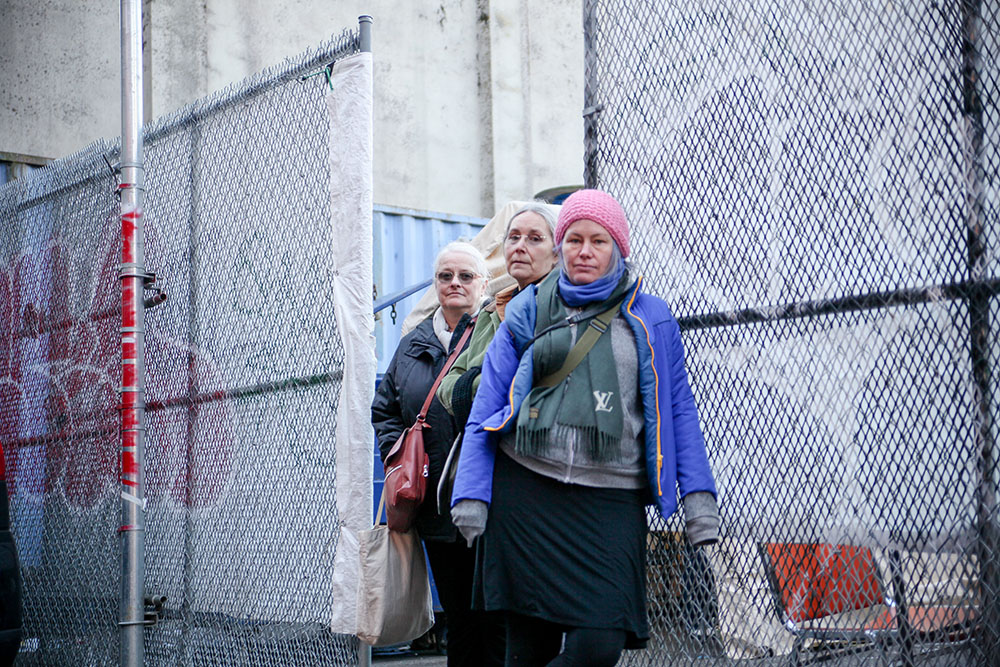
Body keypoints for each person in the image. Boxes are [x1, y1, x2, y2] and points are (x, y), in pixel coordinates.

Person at [450, 189, 720, 666]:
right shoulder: (529, 309)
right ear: (561, 247)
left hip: (610, 500)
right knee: (527, 650)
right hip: (526, 493)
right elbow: (488, 404)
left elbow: (678, 410)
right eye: (574, 239)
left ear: (618, 247)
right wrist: (471, 495)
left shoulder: (651, 317)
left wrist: (699, 500)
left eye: (598, 240)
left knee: (598, 646)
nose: (585, 251)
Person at [371, 240, 505, 666]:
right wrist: (401, 457)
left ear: (483, 284)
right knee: (460, 621)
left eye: (466, 276)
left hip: (491, 498)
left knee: (497, 618)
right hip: (435, 504)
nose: (454, 283)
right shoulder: (412, 344)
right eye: (445, 276)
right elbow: (385, 409)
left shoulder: (499, 332)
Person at [437, 203, 559, 425]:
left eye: (535, 239)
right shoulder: (492, 312)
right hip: (489, 443)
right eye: (513, 237)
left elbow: (529, 383)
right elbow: (445, 386)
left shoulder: (563, 309)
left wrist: (475, 382)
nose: (520, 247)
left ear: (557, 253)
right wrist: (487, 384)